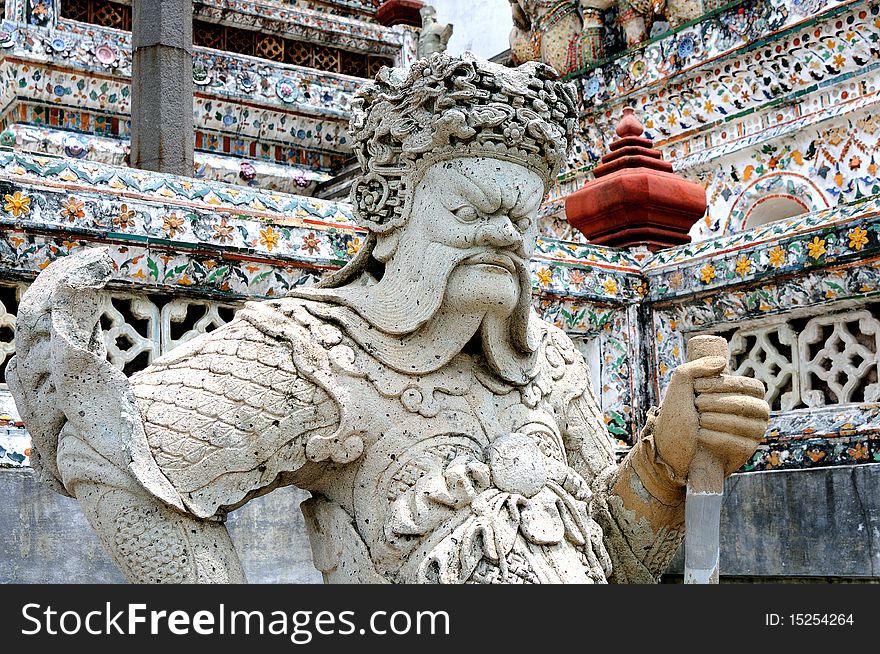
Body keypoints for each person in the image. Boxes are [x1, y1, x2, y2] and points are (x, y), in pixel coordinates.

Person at [8, 53, 769, 583]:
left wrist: (665, 466)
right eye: (472, 210)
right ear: (392, 214)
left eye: (522, 220)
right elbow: (111, 452)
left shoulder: (555, 367)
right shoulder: (317, 350)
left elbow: (618, 564)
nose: (504, 237)